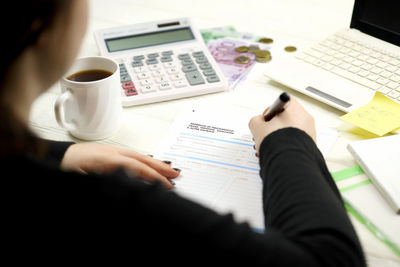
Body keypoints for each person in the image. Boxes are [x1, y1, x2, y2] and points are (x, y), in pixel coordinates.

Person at [1, 0, 366, 265]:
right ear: (39, 24)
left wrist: (55, 153)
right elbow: (331, 260)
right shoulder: (112, 205)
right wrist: (288, 142)